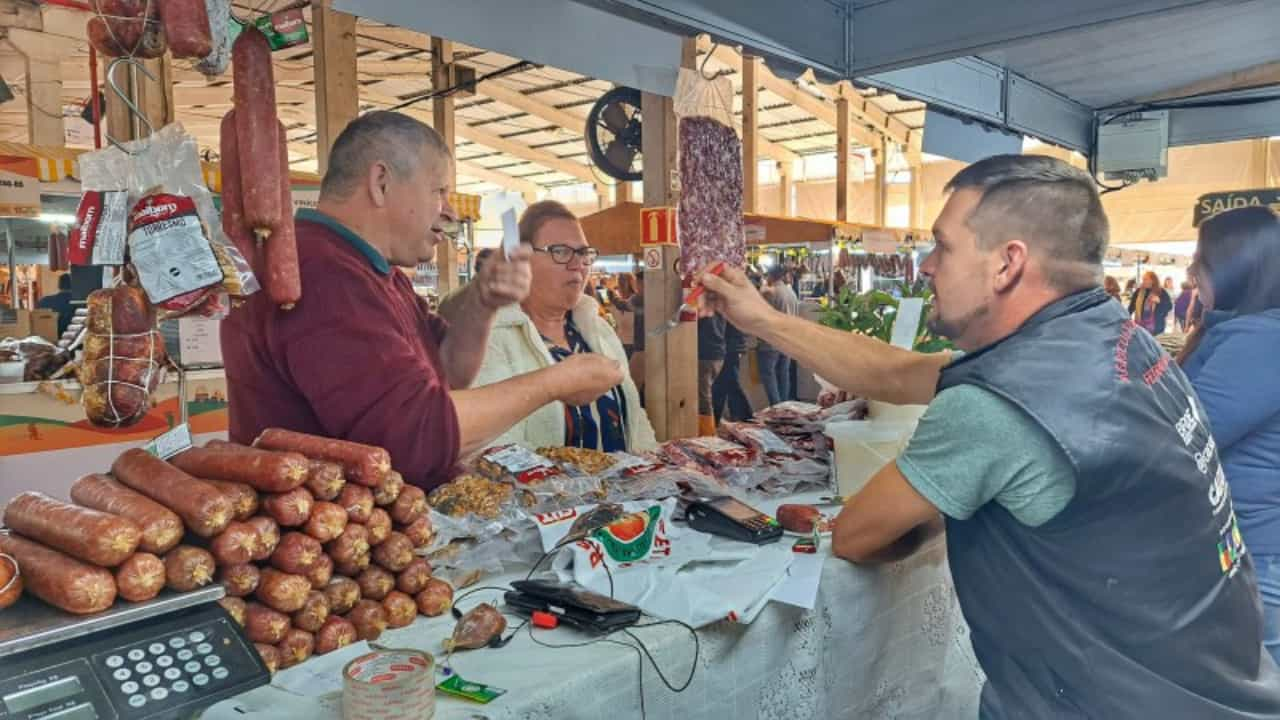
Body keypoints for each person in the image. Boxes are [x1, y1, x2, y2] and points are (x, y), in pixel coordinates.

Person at [701, 154, 1280, 718]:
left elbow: (857, 534)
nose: (927, 265)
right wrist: (763, 320)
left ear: (1007, 263)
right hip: (1212, 676)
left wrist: (937, 506)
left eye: (944, 246)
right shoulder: (1113, 338)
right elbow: (898, 372)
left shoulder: (995, 406)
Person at [221, 113, 623, 490]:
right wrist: (556, 381)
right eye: (440, 192)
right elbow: (415, 437)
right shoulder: (324, 272)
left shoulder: (378, 272)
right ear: (381, 182)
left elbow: (447, 373)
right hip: (325, 544)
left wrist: (483, 303)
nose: (449, 212)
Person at [440, 200, 656, 453]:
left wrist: (651, 469)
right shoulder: (491, 337)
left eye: (584, 253)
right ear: (520, 258)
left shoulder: (596, 327)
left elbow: (635, 419)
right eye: (561, 252)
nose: (578, 264)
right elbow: (491, 451)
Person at [1177, 206, 1280, 666]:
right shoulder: (1232, 333)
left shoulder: (1260, 341)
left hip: (1256, 554)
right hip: (1232, 551)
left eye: (1201, 260)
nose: (1190, 272)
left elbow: (1186, 434)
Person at [756, 266, 799, 406]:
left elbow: (762, 315)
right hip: (787, 340)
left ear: (770, 276)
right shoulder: (791, 293)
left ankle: (776, 406)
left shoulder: (770, 293)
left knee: (768, 375)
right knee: (783, 374)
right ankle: (784, 406)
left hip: (771, 340)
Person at [712, 318, 753, 423]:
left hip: (730, 348)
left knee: (729, 383)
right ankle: (716, 418)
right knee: (722, 386)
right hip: (731, 347)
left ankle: (746, 416)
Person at [696, 312, 725, 434]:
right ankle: (707, 430)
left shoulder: (703, 307)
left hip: (705, 354)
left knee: (703, 397)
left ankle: (707, 433)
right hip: (718, 354)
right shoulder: (718, 305)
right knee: (706, 395)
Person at [1129, 270, 1173, 334]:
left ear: (1153, 280)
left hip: (1157, 326)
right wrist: (1126, 317)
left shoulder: (1161, 292)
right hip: (1140, 325)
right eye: (1143, 279)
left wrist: (1159, 301)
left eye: (1146, 279)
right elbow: (1131, 307)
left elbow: (1169, 306)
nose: (1143, 282)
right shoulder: (1139, 291)